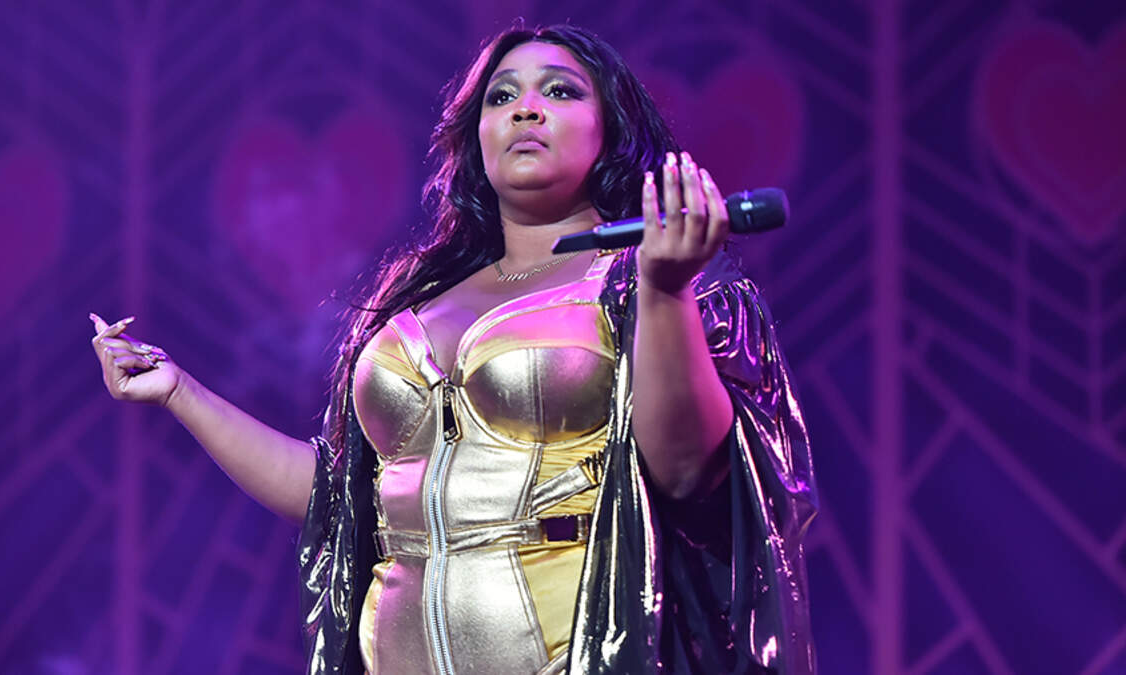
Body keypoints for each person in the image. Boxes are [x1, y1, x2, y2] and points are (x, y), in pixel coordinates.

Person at [91, 24, 817, 675]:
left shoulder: (651, 282)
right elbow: (340, 500)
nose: (526, 109)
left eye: (560, 91)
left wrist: (665, 291)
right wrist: (179, 391)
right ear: (476, 136)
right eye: (502, 97)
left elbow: (689, 473)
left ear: (612, 127)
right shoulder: (416, 296)